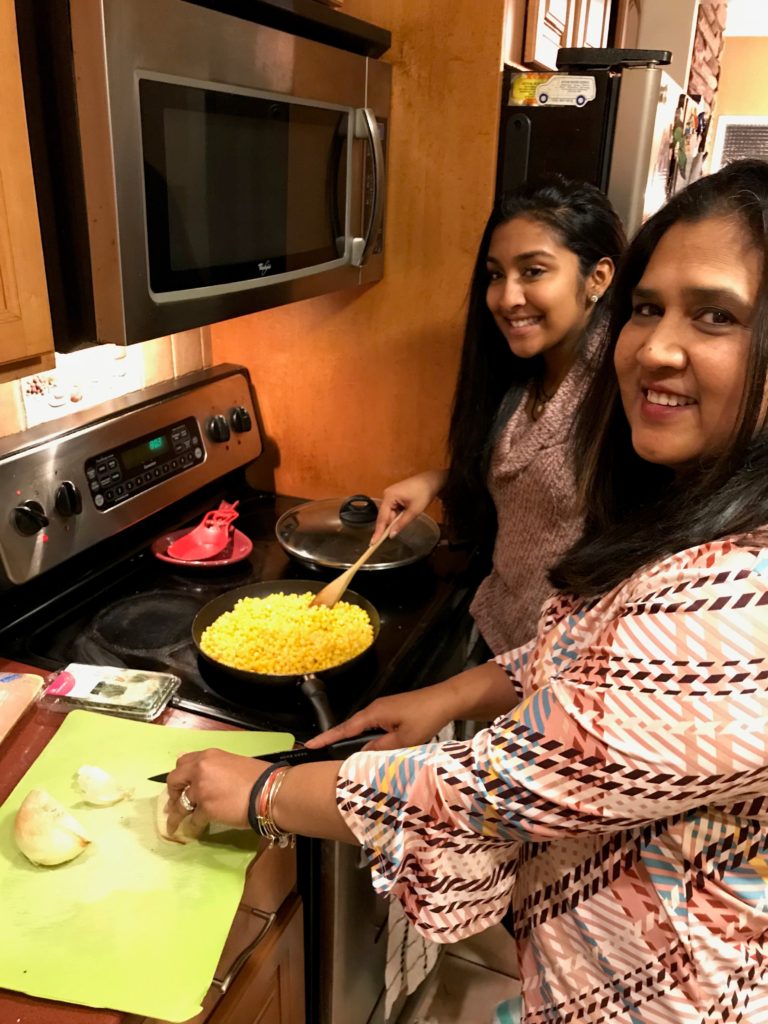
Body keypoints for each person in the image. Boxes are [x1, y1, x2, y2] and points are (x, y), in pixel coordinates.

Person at [166, 158, 768, 1023]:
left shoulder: (741, 606)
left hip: (669, 993)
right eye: (650, 308)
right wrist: (447, 692)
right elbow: (590, 650)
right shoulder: (697, 508)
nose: (657, 348)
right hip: (594, 955)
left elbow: (477, 794)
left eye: (716, 315)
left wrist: (262, 792)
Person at [372, 176, 626, 656]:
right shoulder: (524, 372)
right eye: (495, 274)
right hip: (498, 628)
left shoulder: (621, 393)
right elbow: (531, 479)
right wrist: (440, 480)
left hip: (564, 670)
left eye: (533, 271)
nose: (507, 298)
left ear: (598, 277)